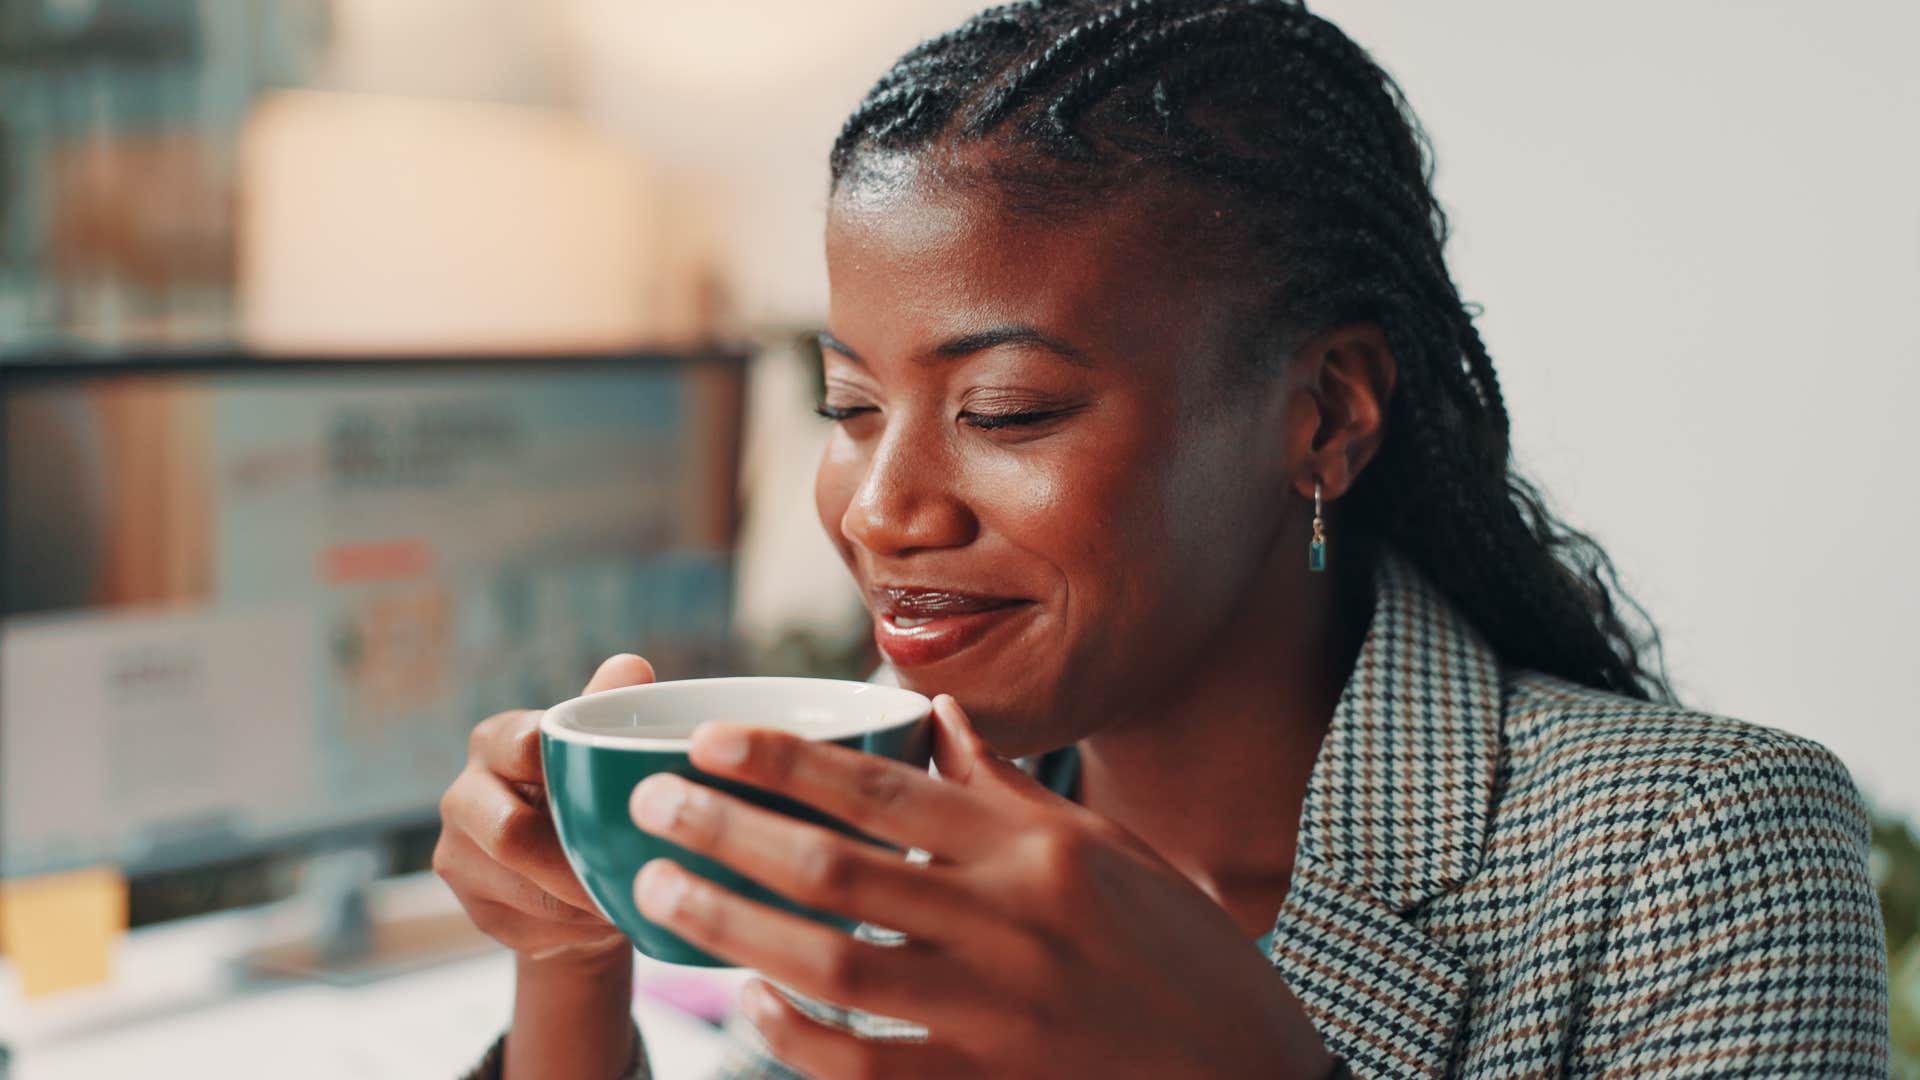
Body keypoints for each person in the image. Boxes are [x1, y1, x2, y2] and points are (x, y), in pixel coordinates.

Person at [443, 1, 1891, 1076]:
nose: (883, 508)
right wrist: (573, 966)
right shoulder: (897, 826)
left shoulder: (1697, 855)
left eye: (1005, 410)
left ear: (1323, 415)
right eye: (850, 402)